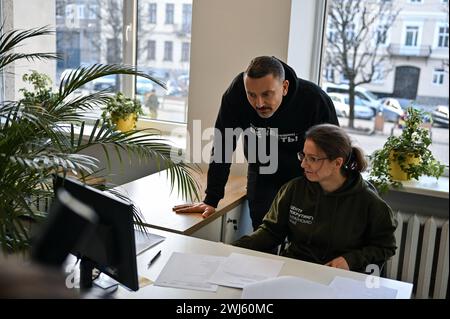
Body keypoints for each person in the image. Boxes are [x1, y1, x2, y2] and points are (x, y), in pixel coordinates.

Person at [173, 56, 339, 229]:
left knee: (301, 236)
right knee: (263, 232)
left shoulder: (314, 100)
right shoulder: (236, 93)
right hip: (262, 170)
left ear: (284, 87)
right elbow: (223, 145)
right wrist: (211, 198)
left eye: (267, 94)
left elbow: (334, 152)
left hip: (305, 175)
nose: (259, 103)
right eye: (251, 95)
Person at [233, 124, 397, 272]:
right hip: (296, 269)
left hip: (339, 277)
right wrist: (233, 249)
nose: (303, 164)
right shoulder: (294, 189)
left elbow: (385, 247)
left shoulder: (369, 202)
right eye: (303, 156)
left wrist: (350, 260)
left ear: (337, 163)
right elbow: (271, 232)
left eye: (313, 159)